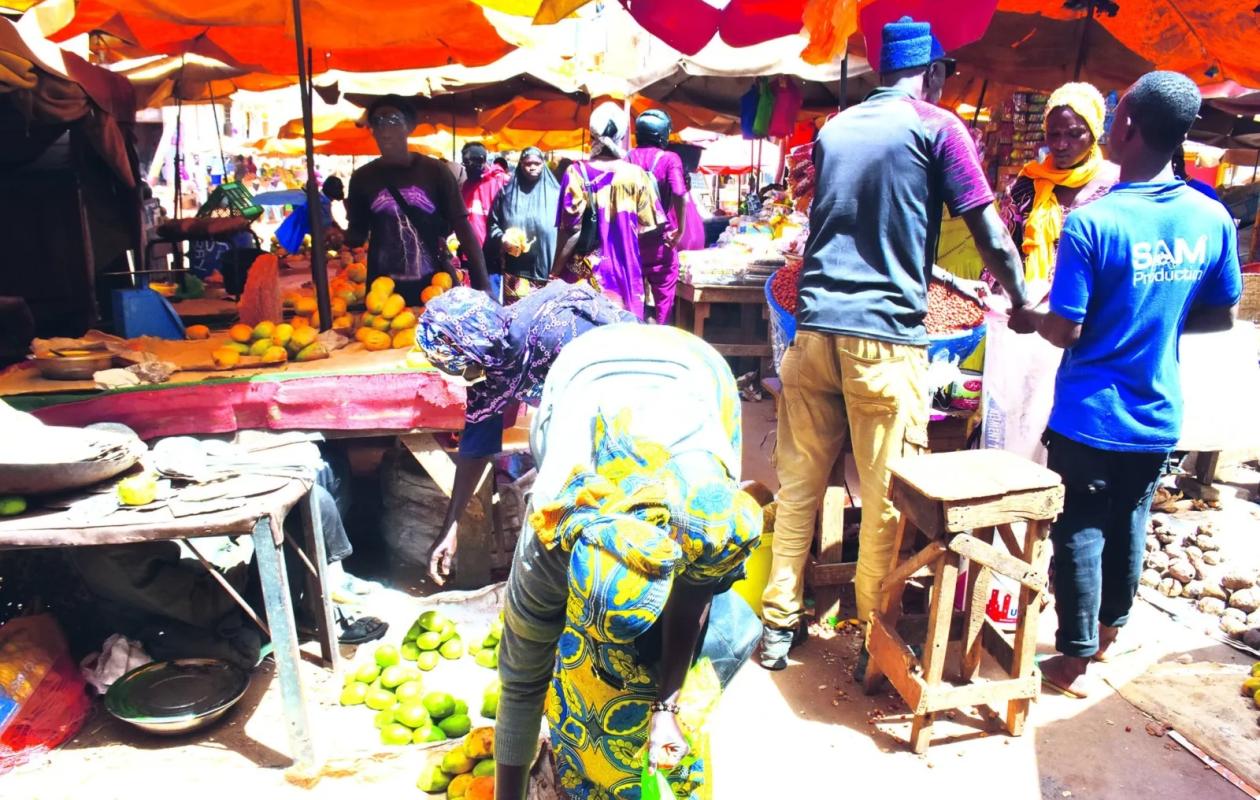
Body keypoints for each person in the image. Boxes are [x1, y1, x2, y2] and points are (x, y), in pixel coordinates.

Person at [758, 17, 1033, 674]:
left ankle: (776, 628)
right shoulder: (938, 126)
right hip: (883, 342)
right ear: (933, 73)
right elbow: (989, 232)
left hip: (813, 332)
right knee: (885, 497)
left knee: (798, 485)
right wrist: (1021, 298)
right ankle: (869, 643)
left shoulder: (835, 130)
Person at [1010, 72, 1241, 697]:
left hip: (1091, 413)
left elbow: (1065, 329)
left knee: (1080, 527)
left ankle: (1073, 657)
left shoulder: (1095, 223)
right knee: (1131, 519)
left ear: (1129, 126)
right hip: (1159, 410)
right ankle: (1112, 631)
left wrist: (1029, 316)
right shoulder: (1211, 216)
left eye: (1115, 116)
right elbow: (1221, 312)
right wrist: (1155, 310)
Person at [492, 324, 762, 800]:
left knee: (683, 661)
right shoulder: (547, 545)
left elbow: (694, 593)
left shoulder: (707, 520)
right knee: (573, 670)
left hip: (697, 373)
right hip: (582, 372)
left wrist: (667, 708)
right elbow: (519, 687)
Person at [415, 282, 636, 585]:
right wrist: (450, 527)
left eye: (462, 369)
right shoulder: (489, 363)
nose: (464, 379)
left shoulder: (555, 334)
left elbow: (610, 404)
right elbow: (475, 447)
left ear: (475, 353)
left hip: (628, 395)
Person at [345, 95, 489, 303]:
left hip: (435, 290)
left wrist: (483, 285)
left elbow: (463, 227)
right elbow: (356, 235)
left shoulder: (435, 172)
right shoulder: (362, 178)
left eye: (393, 121)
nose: (385, 129)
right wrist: (330, 233)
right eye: (378, 122)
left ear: (409, 126)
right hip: (383, 296)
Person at [553, 103, 665, 319]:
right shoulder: (637, 175)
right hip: (626, 274)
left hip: (583, 278)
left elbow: (570, 230)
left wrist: (555, 271)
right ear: (621, 135)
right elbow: (650, 228)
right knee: (622, 342)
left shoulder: (576, 173)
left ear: (592, 133)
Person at [1003, 82, 1119, 285]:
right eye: (1053, 134)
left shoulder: (1117, 187)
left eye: (1074, 134)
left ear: (1093, 132)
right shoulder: (1026, 185)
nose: (1060, 144)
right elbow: (1005, 249)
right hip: (1030, 307)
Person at [627, 109, 688, 323]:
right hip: (662, 241)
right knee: (664, 300)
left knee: (631, 299)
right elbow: (680, 193)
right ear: (663, 135)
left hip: (631, 240)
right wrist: (680, 229)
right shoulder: (670, 159)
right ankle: (662, 338)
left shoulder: (627, 158)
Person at [487, 147, 561, 302]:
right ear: (521, 164)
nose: (532, 167)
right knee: (516, 318)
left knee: (544, 319)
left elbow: (567, 228)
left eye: (537, 163)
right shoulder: (506, 194)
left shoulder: (557, 193)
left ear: (543, 164)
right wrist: (502, 239)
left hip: (547, 272)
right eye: (528, 163)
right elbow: (493, 225)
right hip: (516, 273)